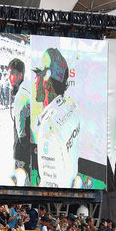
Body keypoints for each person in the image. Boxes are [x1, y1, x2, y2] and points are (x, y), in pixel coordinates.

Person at [32, 47, 81, 188]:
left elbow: (50, 187)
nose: (36, 79)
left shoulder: (47, 130)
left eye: (38, 74)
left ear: (47, 80)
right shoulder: (72, 107)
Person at [8, 57, 37, 186]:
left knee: (22, 182)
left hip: (22, 149)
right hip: (32, 146)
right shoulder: (30, 87)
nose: (10, 78)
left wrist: (22, 144)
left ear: (20, 75)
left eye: (12, 74)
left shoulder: (21, 95)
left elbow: (21, 131)